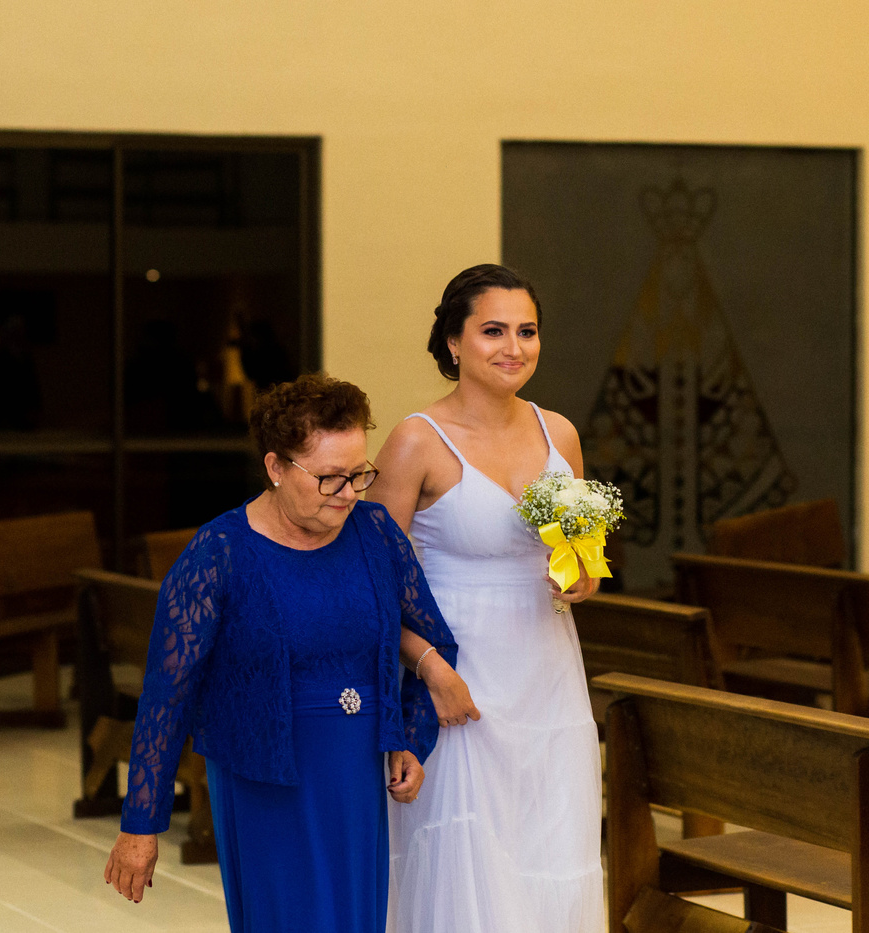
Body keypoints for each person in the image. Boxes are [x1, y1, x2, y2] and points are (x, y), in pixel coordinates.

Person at [105, 373, 458, 933]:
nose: (348, 493)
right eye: (329, 478)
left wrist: (411, 738)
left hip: (356, 772)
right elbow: (166, 697)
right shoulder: (219, 553)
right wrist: (140, 823)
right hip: (263, 775)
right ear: (275, 467)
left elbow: (432, 634)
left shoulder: (375, 533)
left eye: (358, 474)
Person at [370, 264, 604, 933]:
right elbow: (371, 584)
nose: (514, 347)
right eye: (493, 331)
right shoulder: (416, 439)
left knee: (550, 849)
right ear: (454, 342)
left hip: (548, 676)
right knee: (463, 858)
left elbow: (581, 554)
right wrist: (429, 668)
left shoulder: (560, 434)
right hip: (457, 677)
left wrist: (582, 575)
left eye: (527, 331)